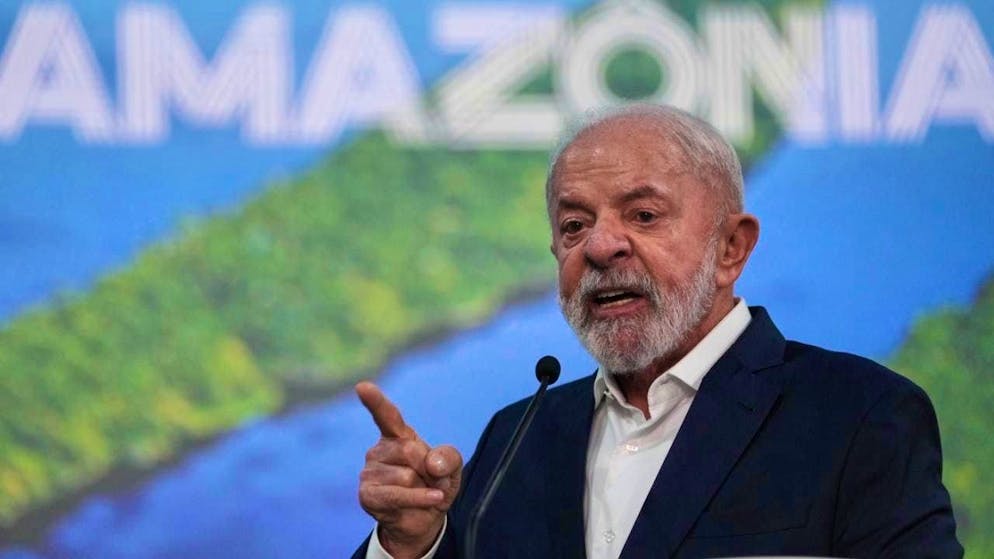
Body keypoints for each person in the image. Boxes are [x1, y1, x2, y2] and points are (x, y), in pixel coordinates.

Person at [352, 104, 963, 558]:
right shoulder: (519, 436)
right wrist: (411, 544)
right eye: (573, 225)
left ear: (731, 248)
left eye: (643, 215)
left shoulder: (860, 416)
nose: (600, 245)